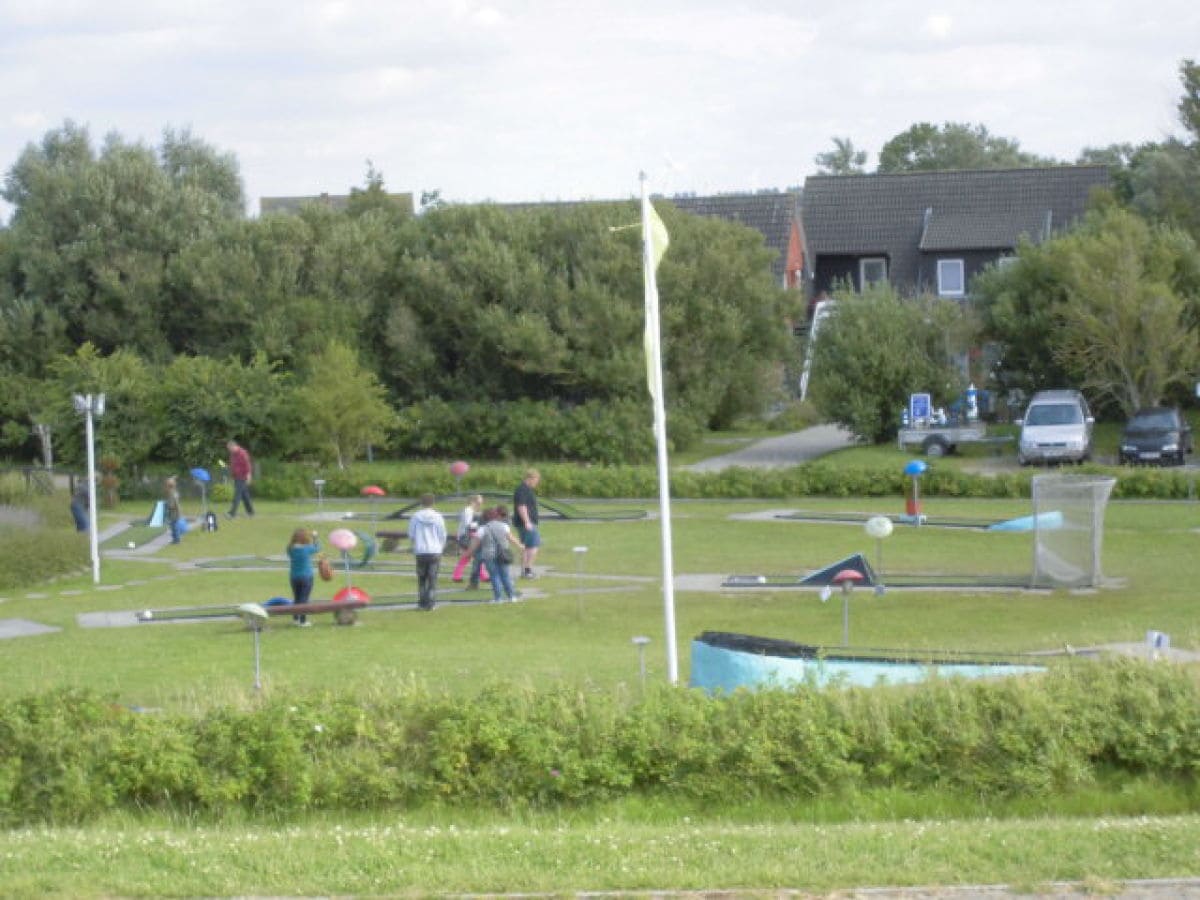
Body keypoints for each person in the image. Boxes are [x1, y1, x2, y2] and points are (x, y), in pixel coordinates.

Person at [470, 505, 523, 603]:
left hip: (489, 555)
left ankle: (498, 598)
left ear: (484, 518)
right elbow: (511, 538)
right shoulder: (504, 526)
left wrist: (469, 553)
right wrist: (520, 546)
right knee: (505, 576)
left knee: (494, 576)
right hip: (503, 554)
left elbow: (475, 544)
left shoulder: (482, 529)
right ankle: (512, 596)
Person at [407, 493, 447, 611]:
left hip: (420, 550)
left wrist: (415, 544)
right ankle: (431, 603)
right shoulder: (438, 516)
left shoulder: (415, 516)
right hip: (435, 550)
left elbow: (411, 534)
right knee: (432, 577)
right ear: (433, 503)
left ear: (421, 503)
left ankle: (422, 603)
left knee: (422, 578)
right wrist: (441, 547)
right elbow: (442, 534)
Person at [286, 527, 321, 627]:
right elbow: (318, 547)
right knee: (304, 599)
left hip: (294, 577)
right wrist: (315, 537)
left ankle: (295, 618)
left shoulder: (290, 548)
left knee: (296, 598)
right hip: (306, 577)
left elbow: (290, 551)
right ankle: (303, 621)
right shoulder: (307, 548)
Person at [452, 494, 486, 588]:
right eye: (479, 501)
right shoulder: (468, 510)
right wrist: (476, 531)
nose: (481, 503)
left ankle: (458, 575)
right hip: (467, 536)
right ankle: (457, 576)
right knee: (470, 556)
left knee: (472, 556)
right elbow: (469, 524)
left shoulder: (471, 510)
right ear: (473, 501)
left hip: (469, 535)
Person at [513, 468, 541, 579]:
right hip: (526, 523)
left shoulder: (525, 489)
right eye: (536, 480)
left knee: (526, 547)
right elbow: (521, 506)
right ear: (530, 478)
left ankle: (525, 571)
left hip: (526, 523)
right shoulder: (522, 490)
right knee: (533, 546)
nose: (536, 483)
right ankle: (527, 570)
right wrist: (527, 522)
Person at [225, 440, 255, 519]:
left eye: (230, 448)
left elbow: (247, 464)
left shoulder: (242, 453)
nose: (229, 450)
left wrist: (249, 475)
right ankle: (251, 512)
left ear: (233, 446)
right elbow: (233, 465)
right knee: (245, 496)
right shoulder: (233, 454)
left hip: (242, 477)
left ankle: (232, 513)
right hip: (237, 477)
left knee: (237, 495)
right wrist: (232, 475)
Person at [163, 476, 184, 544]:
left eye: (166, 485)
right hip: (176, 511)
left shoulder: (171, 493)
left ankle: (176, 540)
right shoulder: (175, 492)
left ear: (169, 486)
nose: (165, 487)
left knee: (174, 526)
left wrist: (166, 505)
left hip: (173, 512)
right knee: (174, 525)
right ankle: (176, 539)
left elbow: (171, 505)